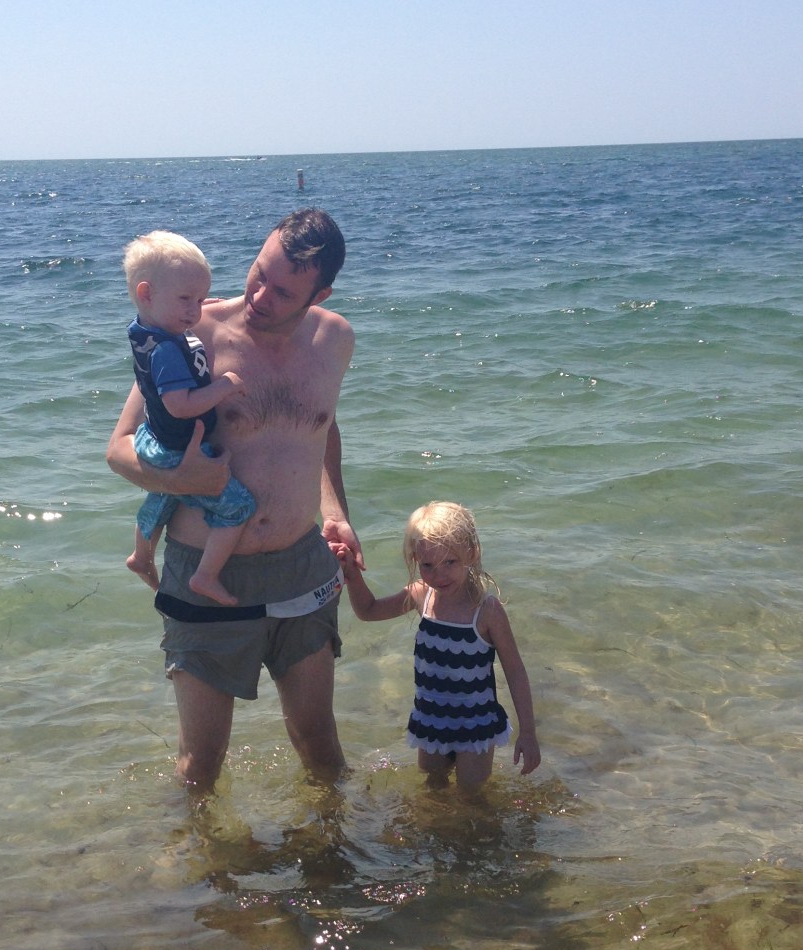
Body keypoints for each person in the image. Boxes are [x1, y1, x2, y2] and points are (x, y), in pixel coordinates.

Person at [106, 209, 361, 792]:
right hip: (206, 576)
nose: (260, 296)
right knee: (201, 765)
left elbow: (322, 427)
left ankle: (333, 843)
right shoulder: (191, 335)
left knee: (321, 746)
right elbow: (119, 449)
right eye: (259, 273)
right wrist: (183, 481)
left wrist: (335, 512)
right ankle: (195, 853)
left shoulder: (335, 339)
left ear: (319, 295)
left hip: (302, 569)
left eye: (283, 291)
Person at [335, 501, 540, 790]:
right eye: (428, 565)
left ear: (471, 553)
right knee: (432, 788)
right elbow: (368, 611)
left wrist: (528, 733)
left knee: (471, 794)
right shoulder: (422, 595)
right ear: (415, 559)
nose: (439, 575)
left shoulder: (486, 611)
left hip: (475, 723)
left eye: (450, 562)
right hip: (431, 717)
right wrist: (352, 575)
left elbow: (515, 672)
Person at [122, 231, 255, 604]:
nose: (195, 312)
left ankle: (141, 555)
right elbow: (180, 405)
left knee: (165, 494)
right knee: (239, 507)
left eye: (199, 300)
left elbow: (173, 319)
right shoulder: (165, 350)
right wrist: (224, 385)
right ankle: (205, 576)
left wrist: (193, 307)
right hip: (178, 446)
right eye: (185, 299)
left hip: (156, 436)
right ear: (147, 294)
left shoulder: (147, 327)